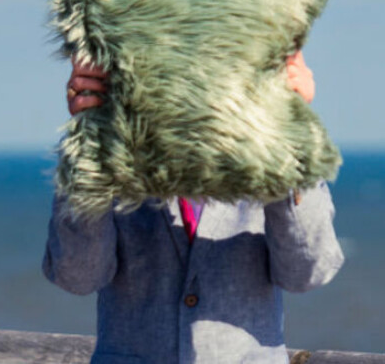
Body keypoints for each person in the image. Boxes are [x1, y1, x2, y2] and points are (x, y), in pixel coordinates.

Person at [44, 51, 344, 364]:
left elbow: (308, 272)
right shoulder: (114, 149)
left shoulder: (268, 149)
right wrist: (88, 138)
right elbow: (78, 276)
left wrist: (291, 132)